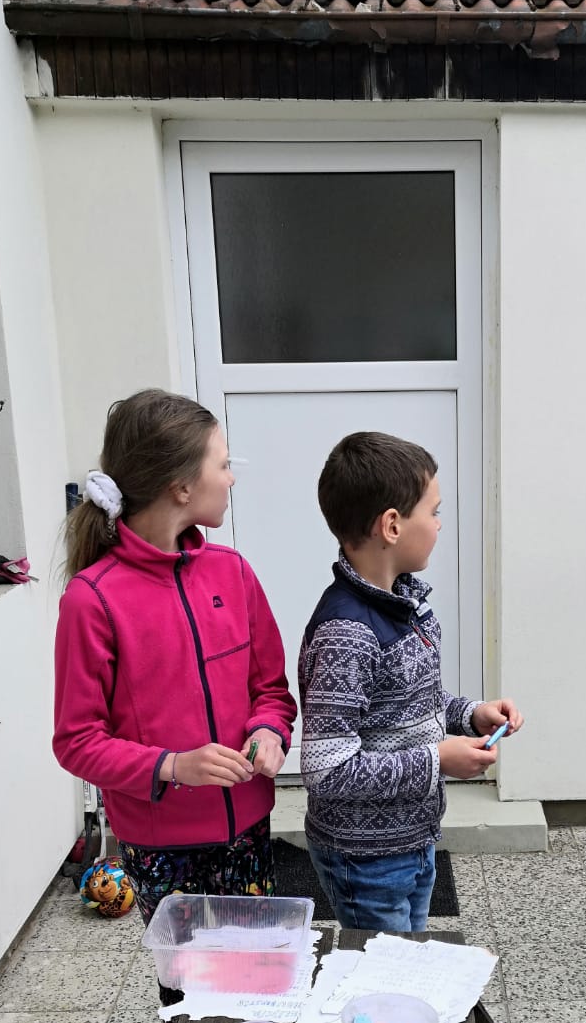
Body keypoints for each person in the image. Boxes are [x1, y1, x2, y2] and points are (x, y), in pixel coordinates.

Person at [53, 389, 296, 969]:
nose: (231, 478)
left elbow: (271, 691)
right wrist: (173, 766)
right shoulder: (91, 600)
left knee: (258, 977)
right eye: (223, 464)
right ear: (181, 487)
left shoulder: (234, 573)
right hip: (162, 848)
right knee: (190, 991)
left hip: (249, 829)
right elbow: (76, 742)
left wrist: (269, 732)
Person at [298, 430, 522, 931]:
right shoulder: (346, 634)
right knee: (384, 972)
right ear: (392, 525)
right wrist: (437, 759)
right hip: (367, 859)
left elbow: (407, 701)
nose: (440, 524)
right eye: (434, 512)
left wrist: (471, 714)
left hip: (412, 840)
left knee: (407, 961)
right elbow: (327, 771)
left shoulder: (403, 604)